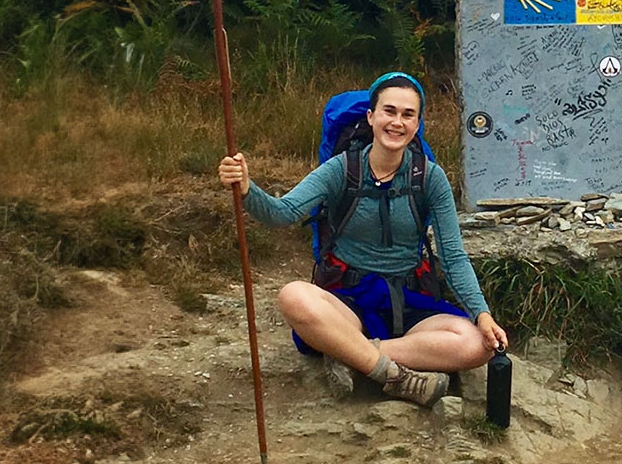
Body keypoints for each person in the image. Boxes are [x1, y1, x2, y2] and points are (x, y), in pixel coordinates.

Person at [218, 72, 508, 408]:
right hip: (348, 299)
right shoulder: (342, 169)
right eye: (389, 111)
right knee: (293, 296)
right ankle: (395, 376)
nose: (396, 122)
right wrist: (247, 189)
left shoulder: (430, 178)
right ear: (371, 117)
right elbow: (282, 213)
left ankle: (353, 354)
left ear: (417, 125)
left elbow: (453, 257)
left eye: (407, 114)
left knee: (478, 345)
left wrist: (482, 314)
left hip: (411, 298)